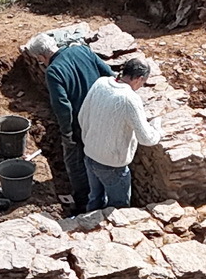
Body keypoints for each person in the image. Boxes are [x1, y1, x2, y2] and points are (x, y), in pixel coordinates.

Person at [76, 57, 161, 213]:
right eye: (142, 83)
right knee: (118, 209)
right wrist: (156, 126)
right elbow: (146, 139)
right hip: (113, 165)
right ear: (139, 79)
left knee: (95, 197)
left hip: (90, 156)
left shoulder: (100, 83)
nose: (141, 87)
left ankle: (87, 227)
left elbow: (82, 116)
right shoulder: (130, 99)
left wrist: (91, 140)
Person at [40, 35, 108, 209]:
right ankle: (103, 197)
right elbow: (108, 74)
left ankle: (83, 200)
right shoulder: (82, 50)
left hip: (79, 124)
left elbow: (62, 106)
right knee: (101, 157)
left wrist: (67, 134)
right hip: (101, 116)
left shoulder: (54, 71)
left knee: (75, 162)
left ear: (42, 57)